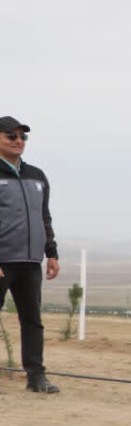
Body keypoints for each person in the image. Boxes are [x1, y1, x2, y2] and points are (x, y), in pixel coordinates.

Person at [0, 115, 61, 394]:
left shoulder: (37, 176)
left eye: (23, 137)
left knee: (33, 320)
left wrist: (52, 253)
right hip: (2, 261)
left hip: (30, 263)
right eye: (11, 136)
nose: (18, 141)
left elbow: (43, 217)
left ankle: (36, 377)